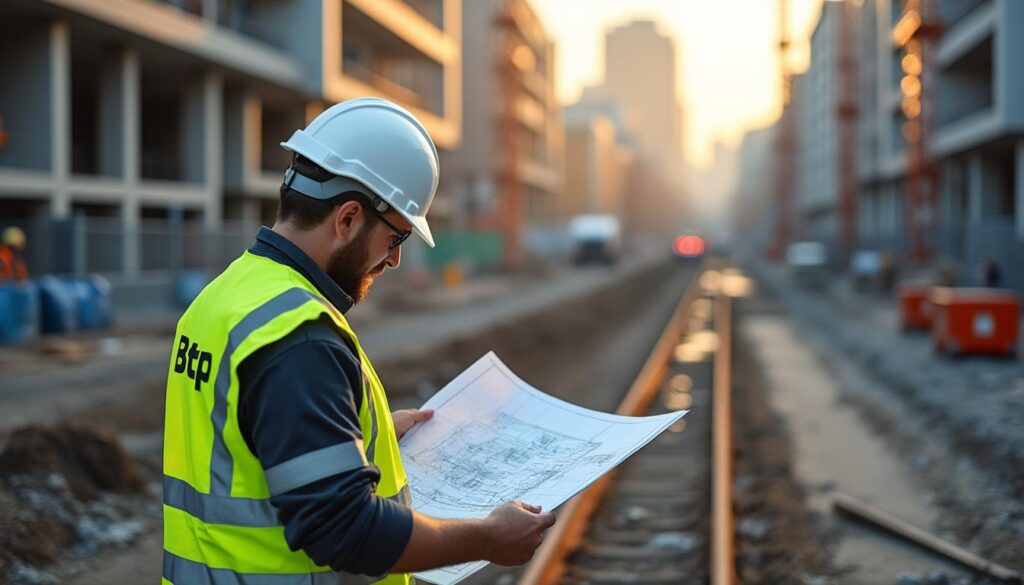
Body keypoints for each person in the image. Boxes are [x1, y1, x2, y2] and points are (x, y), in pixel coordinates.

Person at [162, 98, 555, 585]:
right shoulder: (299, 336)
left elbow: (249, 442)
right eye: (395, 239)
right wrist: (487, 537)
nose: (392, 262)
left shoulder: (223, 297)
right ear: (347, 219)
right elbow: (346, 530)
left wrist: (364, 435)